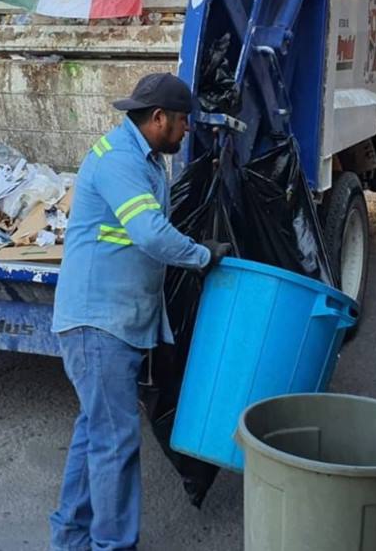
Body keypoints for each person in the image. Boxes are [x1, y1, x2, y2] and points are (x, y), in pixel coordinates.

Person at [49, 73, 228, 551]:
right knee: (114, 443)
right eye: (183, 121)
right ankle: (113, 545)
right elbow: (149, 233)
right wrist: (202, 255)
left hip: (112, 321)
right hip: (96, 323)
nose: (188, 129)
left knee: (95, 434)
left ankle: (70, 538)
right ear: (158, 118)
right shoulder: (121, 161)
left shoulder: (148, 161)